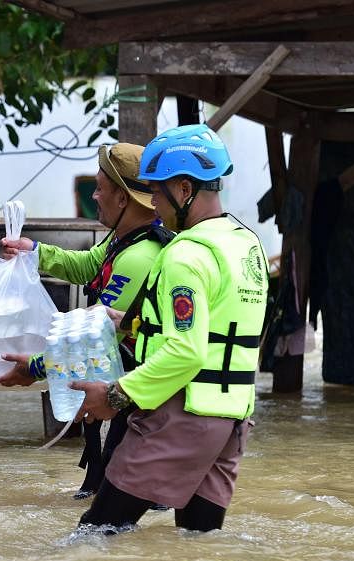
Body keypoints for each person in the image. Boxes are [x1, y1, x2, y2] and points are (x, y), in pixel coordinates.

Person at [71, 124, 269, 532]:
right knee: (198, 542)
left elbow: (187, 350)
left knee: (94, 535)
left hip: (181, 415)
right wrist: (130, 323)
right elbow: (216, 323)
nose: (152, 204)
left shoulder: (185, 254)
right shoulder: (246, 245)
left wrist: (114, 395)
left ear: (183, 190)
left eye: (156, 193)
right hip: (232, 418)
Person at [0, 143, 173, 499]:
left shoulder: (139, 258)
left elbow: (94, 337)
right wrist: (35, 252)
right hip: (132, 389)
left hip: (141, 393)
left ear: (122, 199)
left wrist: (33, 367)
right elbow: (89, 265)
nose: (94, 195)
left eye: (100, 188)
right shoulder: (124, 240)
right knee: (114, 497)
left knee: (116, 502)